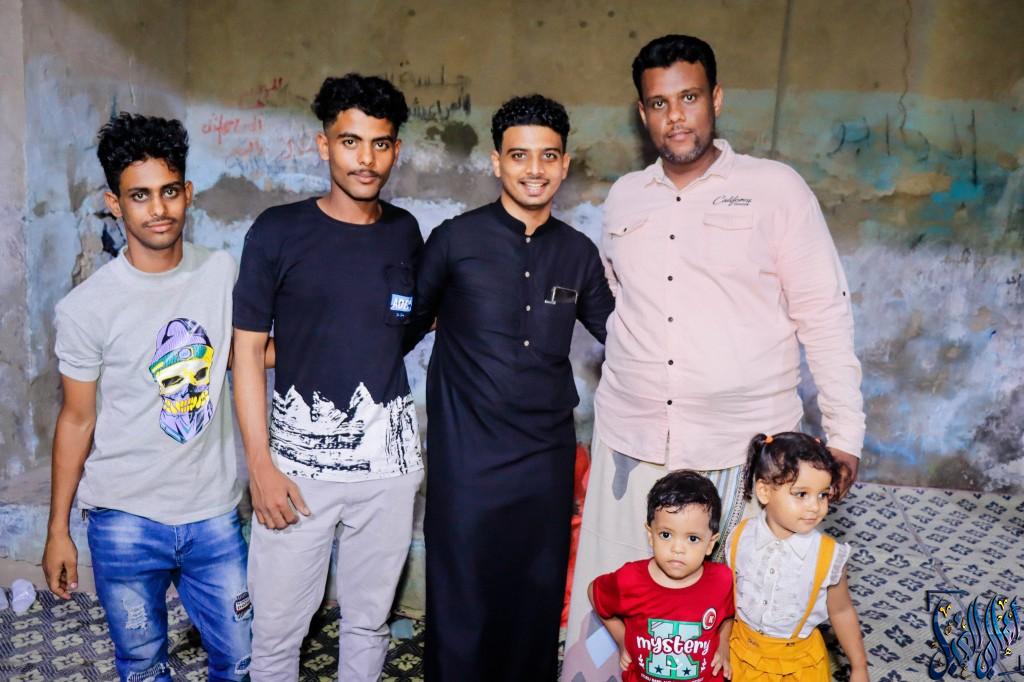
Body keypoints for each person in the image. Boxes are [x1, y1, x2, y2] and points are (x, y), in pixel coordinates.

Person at [563, 34, 865, 677]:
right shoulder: (624, 198)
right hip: (633, 444)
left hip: (741, 451)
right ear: (641, 112)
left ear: (717, 99)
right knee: (618, 613)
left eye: (690, 97)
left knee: (728, 623)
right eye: (659, 103)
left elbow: (825, 316)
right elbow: (619, 306)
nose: (675, 116)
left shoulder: (775, 190)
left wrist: (844, 435)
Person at [406, 94, 615, 680]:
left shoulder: (578, 253)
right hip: (466, 460)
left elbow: (625, 339)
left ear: (564, 164)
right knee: (462, 599)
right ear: (497, 161)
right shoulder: (454, 240)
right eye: (519, 155)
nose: (534, 169)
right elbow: (400, 327)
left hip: (544, 461)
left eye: (548, 155)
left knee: (535, 597)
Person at [42, 113, 252, 682]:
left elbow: (246, 352)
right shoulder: (86, 308)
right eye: (140, 195)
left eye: (169, 191)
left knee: (240, 659)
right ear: (115, 203)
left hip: (212, 511)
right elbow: (77, 420)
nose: (158, 209)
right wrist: (58, 529)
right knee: (141, 665)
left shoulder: (220, 273)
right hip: (124, 518)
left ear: (188, 192)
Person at [232, 73, 423, 681]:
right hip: (295, 473)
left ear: (395, 149)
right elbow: (246, 352)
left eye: (380, 143)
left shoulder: (405, 232)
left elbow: (390, 330)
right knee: (276, 633)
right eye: (350, 141)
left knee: (369, 623)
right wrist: (260, 466)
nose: (366, 159)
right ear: (324, 145)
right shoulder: (277, 230)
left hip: (389, 470)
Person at [729, 432, 868, 681]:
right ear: (764, 491)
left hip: (798, 667)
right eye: (802, 494)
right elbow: (725, 600)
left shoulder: (828, 557)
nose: (815, 506)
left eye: (823, 494)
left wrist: (859, 667)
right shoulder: (740, 537)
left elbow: (842, 611)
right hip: (740, 657)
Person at [590, 470, 734, 682]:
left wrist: (723, 644)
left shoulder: (721, 580)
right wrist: (622, 639)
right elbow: (594, 593)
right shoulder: (630, 579)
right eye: (666, 535)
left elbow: (728, 616)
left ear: (710, 543)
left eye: (692, 539)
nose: (677, 548)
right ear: (651, 534)